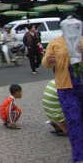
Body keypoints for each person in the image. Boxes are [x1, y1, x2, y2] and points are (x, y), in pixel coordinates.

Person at [42, 15, 83, 163]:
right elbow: (45, 63)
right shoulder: (55, 43)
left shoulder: (81, 40)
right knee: (74, 120)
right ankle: (79, 156)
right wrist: (49, 60)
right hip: (66, 88)